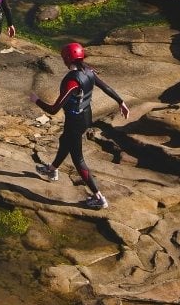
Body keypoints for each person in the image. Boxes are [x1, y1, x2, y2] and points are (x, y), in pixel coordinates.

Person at [34, 42, 129, 210]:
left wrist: (35, 100)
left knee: (78, 160)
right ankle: (52, 169)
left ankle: (99, 197)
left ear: (67, 59)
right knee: (65, 141)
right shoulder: (89, 71)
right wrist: (121, 102)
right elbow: (106, 87)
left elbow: (54, 109)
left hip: (75, 122)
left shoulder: (73, 81)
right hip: (86, 116)